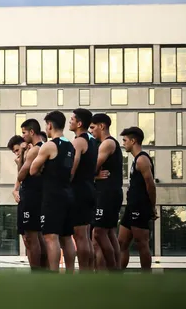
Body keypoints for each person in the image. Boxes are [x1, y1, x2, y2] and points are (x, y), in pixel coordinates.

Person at [30, 111, 76, 272]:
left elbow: (32, 169)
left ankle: (54, 273)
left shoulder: (49, 145)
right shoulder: (71, 145)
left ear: (49, 125)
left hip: (53, 196)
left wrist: (43, 167)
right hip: (68, 194)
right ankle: (70, 272)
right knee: (67, 237)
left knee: (51, 236)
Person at [118, 126, 156, 271]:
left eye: (125, 140)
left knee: (142, 243)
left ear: (133, 141)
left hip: (140, 207)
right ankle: (117, 277)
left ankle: (146, 278)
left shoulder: (142, 160)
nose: (123, 143)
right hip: (131, 206)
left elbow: (151, 185)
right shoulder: (135, 160)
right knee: (121, 243)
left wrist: (152, 207)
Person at [90, 113, 123, 270]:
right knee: (109, 233)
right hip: (109, 192)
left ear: (102, 126)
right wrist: (96, 176)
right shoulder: (105, 144)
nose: (91, 131)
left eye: (92, 127)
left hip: (107, 193)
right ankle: (114, 271)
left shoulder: (107, 144)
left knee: (98, 233)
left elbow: (92, 167)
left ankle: (113, 270)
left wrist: (93, 175)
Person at [68, 108, 97, 271]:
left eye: (72, 119)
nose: (70, 121)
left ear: (79, 123)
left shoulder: (78, 141)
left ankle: (85, 271)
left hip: (79, 191)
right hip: (88, 189)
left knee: (80, 235)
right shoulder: (92, 141)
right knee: (85, 235)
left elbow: (72, 168)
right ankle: (89, 270)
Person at [17, 120, 47, 270]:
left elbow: (21, 175)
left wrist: (23, 153)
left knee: (31, 235)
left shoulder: (35, 150)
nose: (23, 136)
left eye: (24, 132)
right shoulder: (42, 147)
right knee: (38, 235)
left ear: (32, 132)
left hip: (32, 194)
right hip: (37, 194)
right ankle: (43, 270)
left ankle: (36, 272)